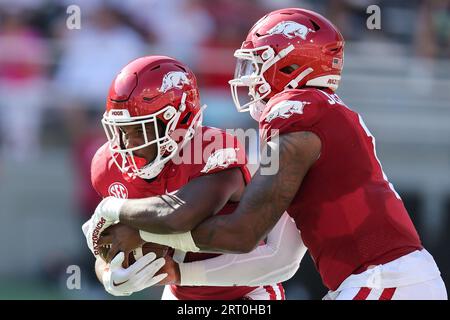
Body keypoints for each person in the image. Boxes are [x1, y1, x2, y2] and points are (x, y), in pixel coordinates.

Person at [84, 9, 447, 300]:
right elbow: (272, 241)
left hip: (384, 277)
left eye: (258, 62)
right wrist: (115, 260)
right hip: (380, 278)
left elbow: (243, 233)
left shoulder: (296, 111)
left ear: (290, 65)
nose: (248, 75)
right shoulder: (318, 114)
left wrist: (124, 219)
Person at [82, 55, 306, 299]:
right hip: (179, 293)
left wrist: (116, 210)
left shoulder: (211, 150)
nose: (128, 144)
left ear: (179, 120)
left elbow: (178, 216)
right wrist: (107, 275)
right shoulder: (109, 164)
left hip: (247, 292)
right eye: (121, 130)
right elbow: (110, 243)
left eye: (140, 130)